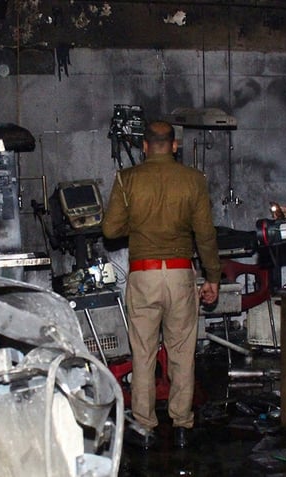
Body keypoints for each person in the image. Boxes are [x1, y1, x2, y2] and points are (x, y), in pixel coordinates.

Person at [101, 120, 221, 450]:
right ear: (174, 146)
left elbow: (110, 231)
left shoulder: (127, 180)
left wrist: (135, 220)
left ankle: (145, 426)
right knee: (183, 352)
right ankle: (182, 424)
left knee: (143, 353)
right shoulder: (194, 180)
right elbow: (206, 235)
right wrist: (212, 277)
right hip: (181, 274)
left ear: (143, 146)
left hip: (143, 274)